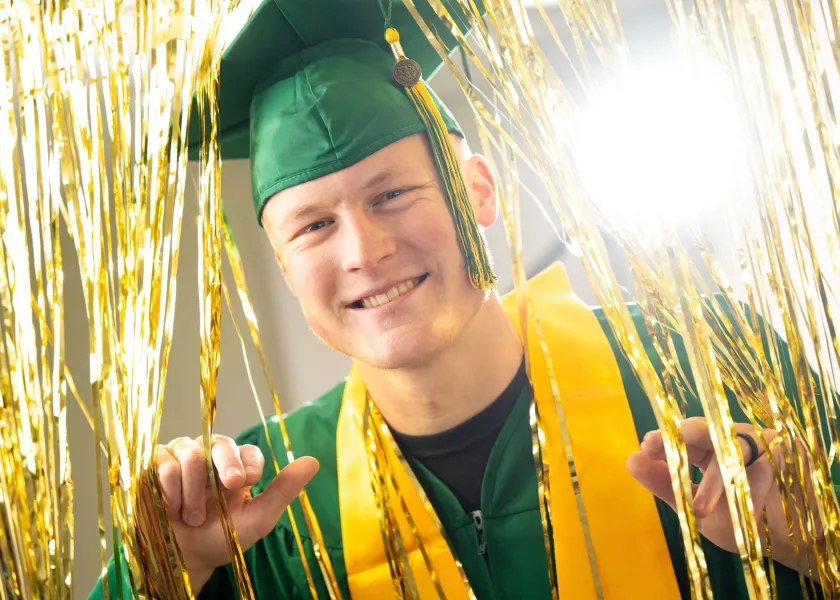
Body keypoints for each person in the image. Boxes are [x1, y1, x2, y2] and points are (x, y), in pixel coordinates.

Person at [89, 1, 829, 598]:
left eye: (393, 193)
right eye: (313, 226)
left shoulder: (704, 364)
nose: (363, 251)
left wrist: (819, 542)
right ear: (282, 266)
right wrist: (164, 576)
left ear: (479, 191)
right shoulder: (258, 507)